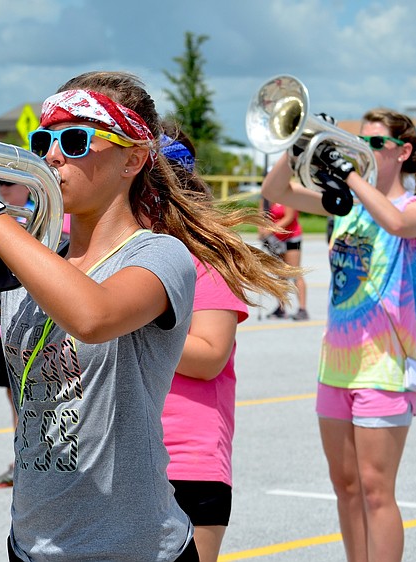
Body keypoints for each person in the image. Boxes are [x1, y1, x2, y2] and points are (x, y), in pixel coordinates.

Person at [0, 72, 295, 561]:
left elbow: (93, 315)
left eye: (74, 140)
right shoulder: (31, 259)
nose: (51, 155)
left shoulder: (159, 256)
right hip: (31, 545)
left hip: (133, 549)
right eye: (44, 140)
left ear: (133, 158)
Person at [262, 108, 416, 562]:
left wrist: (348, 173)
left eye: (374, 145)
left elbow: (397, 225)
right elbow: (275, 192)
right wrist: (299, 145)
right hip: (336, 364)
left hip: (385, 365)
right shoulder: (349, 203)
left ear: (403, 152)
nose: (364, 151)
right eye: (361, 142)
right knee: (344, 487)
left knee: (377, 490)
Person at [157, 129, 253, 562]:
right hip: (122, 456)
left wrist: (119, 320)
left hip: (186, 461)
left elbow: (211, 356)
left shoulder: (205, 259)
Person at [0, 180, 35, 489]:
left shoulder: (36, 217)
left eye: (8, 184)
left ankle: (25, 459)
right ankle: (21, 456)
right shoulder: (2, 217)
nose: (1, 189)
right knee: (11, 394)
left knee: (29, 396)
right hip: (2, 323)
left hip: (27, 320)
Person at [259, 198, 309, 320]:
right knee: (281, 273)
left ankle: (302, 309)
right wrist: (261, 231)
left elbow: (289, 217)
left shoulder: (285, 195)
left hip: (291, 237)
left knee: (295, 272)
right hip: (276, 239)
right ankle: (281, 308)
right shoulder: (266, 198)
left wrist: (270, 229)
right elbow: (261, 216)